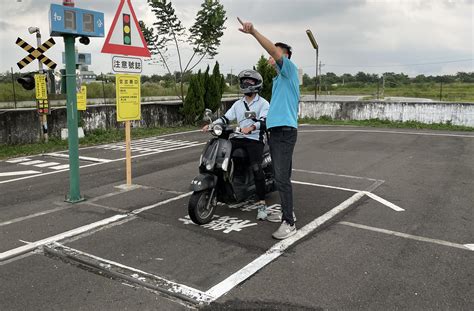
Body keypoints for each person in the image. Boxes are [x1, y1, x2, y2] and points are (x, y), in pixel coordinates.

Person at [238, 17, 300, 240]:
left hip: (283, 133)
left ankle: (289, 223)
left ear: (285, 57)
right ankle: (287, 211)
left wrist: (254, 32)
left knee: (281, 177)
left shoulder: (289, 70)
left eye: (277, 54)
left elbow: (274, 51)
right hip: (277, 133)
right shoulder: (279, 80)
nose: (271, 57)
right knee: (282, 175)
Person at [202, 69, 270, 220]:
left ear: (257, 84)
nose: (246, 84)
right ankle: (228, 185)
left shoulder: (263, 103)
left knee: (256, 168)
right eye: (244, 81)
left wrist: (251, 127)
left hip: (254, 139)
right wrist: (212, 125)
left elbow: (265, 120)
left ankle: (262, 204)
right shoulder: (238, 104)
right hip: (239, 137)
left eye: (249, 81)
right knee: (220, 155)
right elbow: (226, 118)